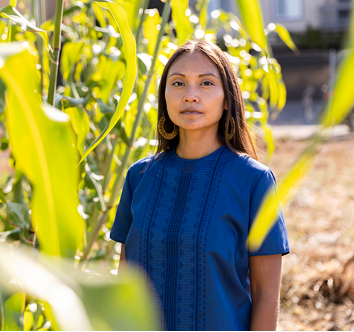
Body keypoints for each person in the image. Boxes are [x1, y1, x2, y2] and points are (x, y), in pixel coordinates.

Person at [110, 40, 290, 331]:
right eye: (178, 83)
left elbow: (266, 293)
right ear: (164, 96)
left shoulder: (254, 181)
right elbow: (125, 279)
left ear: (227, 98)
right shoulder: (138, 177)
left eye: (206, 83)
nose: (190, 96)